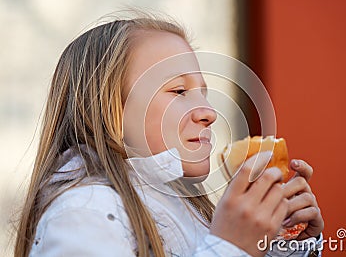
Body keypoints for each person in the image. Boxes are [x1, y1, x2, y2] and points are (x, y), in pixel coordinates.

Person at [14, 13, 324, 257]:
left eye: (203, 93)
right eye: (179, 91)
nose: (209, 112)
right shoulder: (84, 211)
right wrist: (230, 248)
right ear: (109, 109)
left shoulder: (188, 207)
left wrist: (280, 243)